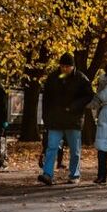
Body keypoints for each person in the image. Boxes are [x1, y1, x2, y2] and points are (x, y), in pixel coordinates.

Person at [37, 52, 93, 186]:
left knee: (75, 150)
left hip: (73, 120)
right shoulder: (53, 77)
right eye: (62, 66)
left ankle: (74, 174)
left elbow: (88, 95)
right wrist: (46, 117)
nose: (64, 69)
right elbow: (46, 99)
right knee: (51, 147)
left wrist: (74, 106)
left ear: (73, 67)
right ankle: (48, 174)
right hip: (55, 119)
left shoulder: (81, 78)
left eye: (67, 67)